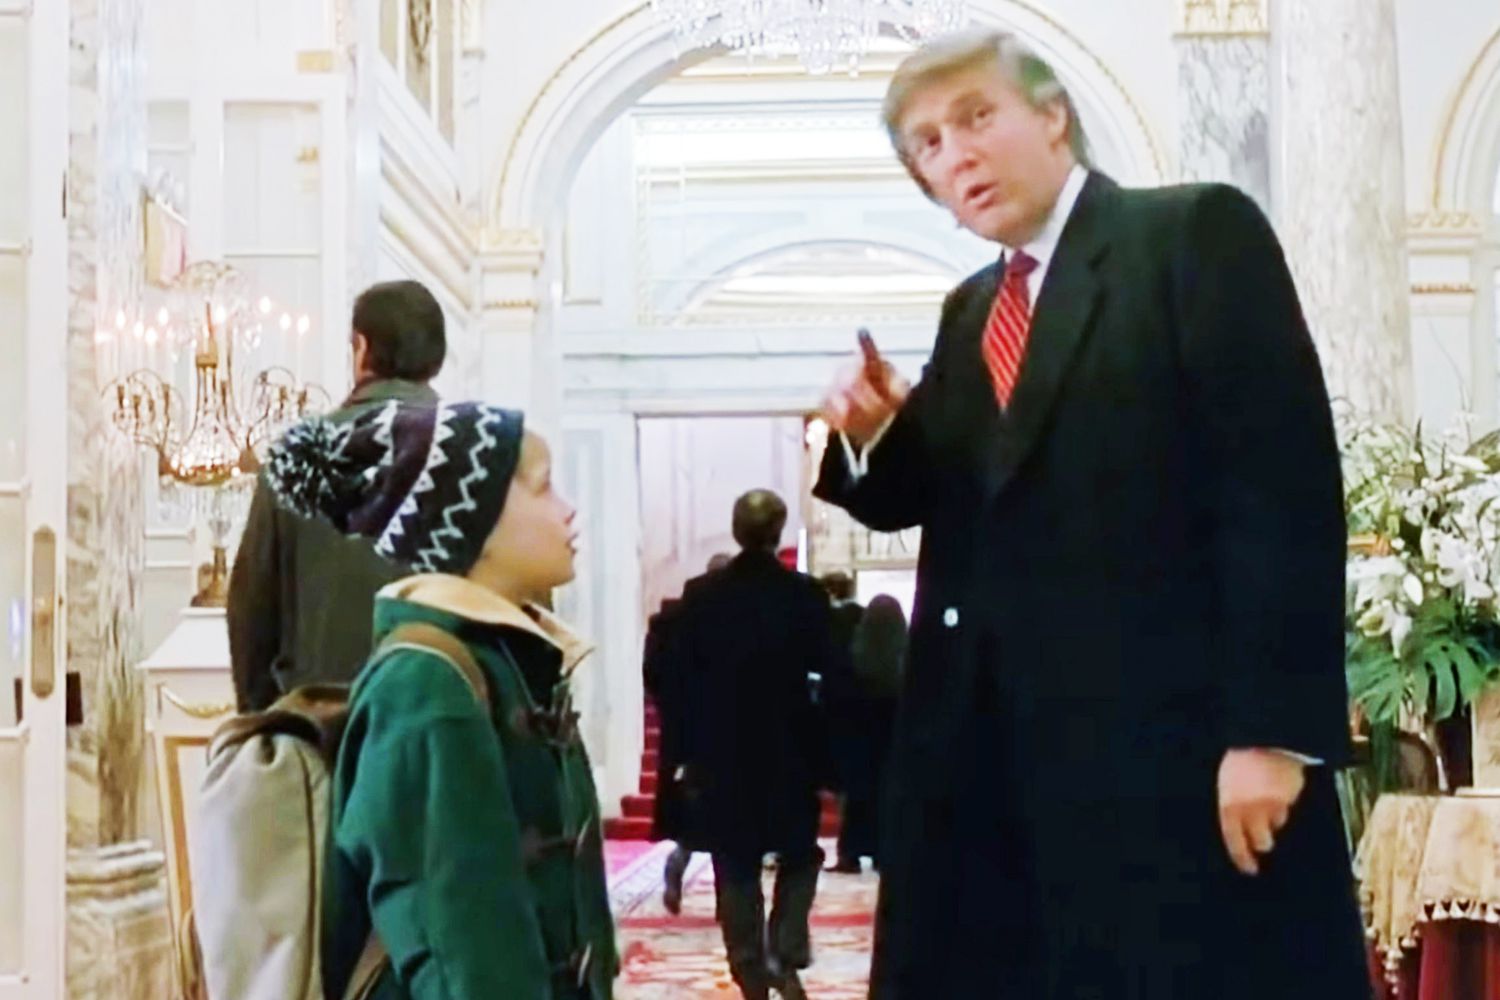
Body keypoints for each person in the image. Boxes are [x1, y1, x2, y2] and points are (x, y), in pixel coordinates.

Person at [816, 29, 1369, 1000]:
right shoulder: (970, 310)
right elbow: (943, 493)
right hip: (992, 776)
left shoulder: (1190, 236)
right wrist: (870, 435)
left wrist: (1272, 734)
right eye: (929, 144)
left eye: (976, 117)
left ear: (1052, 115)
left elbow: (1279, 492)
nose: (958, 154)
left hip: (1168, 758)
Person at [263, 400, 616, 999]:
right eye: (542, 487)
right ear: (474, 521)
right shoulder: (427, 686)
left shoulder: (507, 660)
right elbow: (461, 957)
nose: (567, 510)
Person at [228, 279, 447, 711]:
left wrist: (264, 718)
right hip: (441, 724)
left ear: (360, 348)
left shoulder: (298, 455)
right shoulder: (482, 452)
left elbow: (252, 609)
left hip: (320, 724)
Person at [675, 491, 836, 1000]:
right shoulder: (804, 596)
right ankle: (784, 952)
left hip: (722, 750)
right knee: (800, 854)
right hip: (791, 749)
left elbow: (675, 677)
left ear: (735, 529)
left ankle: (748, 969)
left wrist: (689, 747)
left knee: (735, 860)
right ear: (778, 532)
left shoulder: (703, 596)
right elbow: (833, 672)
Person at [646, 552, 732, 915]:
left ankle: (679, 863)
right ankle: (728, 900)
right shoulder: (730, 621)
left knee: (693, 808)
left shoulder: (671, 622)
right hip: (727, 728)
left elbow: (653, 674)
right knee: (728, 818)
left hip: (685, 729)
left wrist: (672, 711)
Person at [839, 593, 906, 875]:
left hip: (859, 736)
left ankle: (851, 853)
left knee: (858, 794)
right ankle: (884, 852)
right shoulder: (907, 659)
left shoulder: (856, 657)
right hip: (893, 740)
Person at [816, 572, 869, 873]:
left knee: (843, 783)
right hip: (867, 708)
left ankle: (848, 852)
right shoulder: (864, 616)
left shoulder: (833, 621)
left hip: (838, 710)